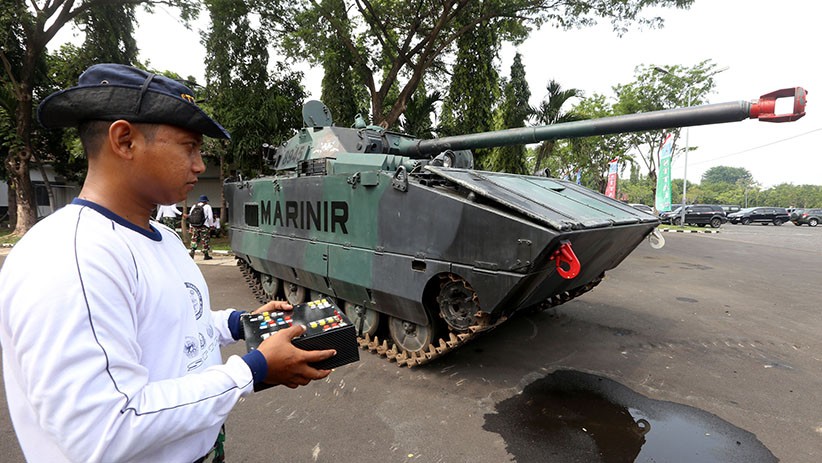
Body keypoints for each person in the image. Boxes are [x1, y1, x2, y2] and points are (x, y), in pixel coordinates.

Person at [0, 63, 335, 463]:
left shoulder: (165, 240)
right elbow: (105, 430)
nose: (198, 164)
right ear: (124, 140)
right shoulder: (72, 260)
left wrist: (236, 323)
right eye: (188, 147)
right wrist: (252, 370)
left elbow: (172, 327)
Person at [189, 194, 214, 260]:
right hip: (204, 226)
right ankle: (206, 255)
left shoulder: (194, 206)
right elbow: (210, 217)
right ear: (206, 201)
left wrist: (191, 226)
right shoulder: (208, 206)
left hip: (195, 226)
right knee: (205, 240)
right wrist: (211, 225)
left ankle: (192, 252)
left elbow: (191, 216)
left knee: (194, 239)